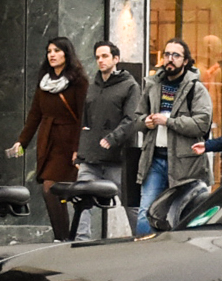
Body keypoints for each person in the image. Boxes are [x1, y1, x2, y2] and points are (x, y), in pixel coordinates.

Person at [10, 37, 86, 240]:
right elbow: (35, 114)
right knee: (52, 190)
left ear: (66, 54)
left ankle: (64, 238)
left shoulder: (79, 82)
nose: (51, 54)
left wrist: (78, 149)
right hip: (48, 142)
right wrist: (22, 142)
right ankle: (63, 237)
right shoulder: (44, 82)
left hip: (68, 143)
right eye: (49, 51)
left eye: (56, 51)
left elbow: (82, 117)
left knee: (51, 189)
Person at [137, 37, 214, 234]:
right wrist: (144, 122)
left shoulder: (196, 89)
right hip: (154, 159)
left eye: (176, 55)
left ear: (185, 61)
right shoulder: (152, 85)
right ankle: (142, 257)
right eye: (167, 54)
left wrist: (169, 121)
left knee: (178, 216)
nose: (170, 59)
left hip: (185, 165)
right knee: (145, 213)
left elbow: (201, 124)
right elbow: (136, 117)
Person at [73, 39, 144, 240]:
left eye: (105, 56)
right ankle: (80, 240)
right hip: (91, 157)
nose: (101, 61)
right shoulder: (92, 86)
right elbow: (84, 120)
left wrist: (112, 139)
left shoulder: (130, 86)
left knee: (130, 205)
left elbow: (132, 119)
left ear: (116, 59)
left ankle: (143, 240)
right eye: (97, 57)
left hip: (119, 158)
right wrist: (79, 150)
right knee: (81, 200)